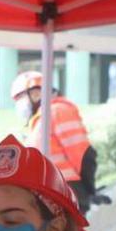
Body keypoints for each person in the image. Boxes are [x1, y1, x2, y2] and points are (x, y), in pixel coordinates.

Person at [11, 71, 103, 215]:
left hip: (65, 193)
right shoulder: (41, 119)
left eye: (21, 97)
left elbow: (83, 154)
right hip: (53, 193)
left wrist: (89, 190)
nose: (19, 104)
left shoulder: (58, 111)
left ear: (36, 93)